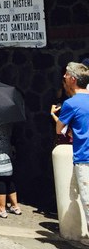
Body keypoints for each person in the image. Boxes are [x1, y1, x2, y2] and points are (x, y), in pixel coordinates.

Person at [54, 62, 89, 230]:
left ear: (73, 79)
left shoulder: (70, 104)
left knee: (88, 201)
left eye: (66, 75)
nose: (64, 77)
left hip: (84, 157)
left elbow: (60, 129)